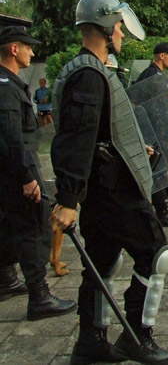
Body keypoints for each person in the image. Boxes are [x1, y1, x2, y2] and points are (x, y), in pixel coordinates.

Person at [50, 0, 168, 365]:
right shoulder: (89, 74)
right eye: (118, 26)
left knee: (103, 261)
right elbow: (76, 137)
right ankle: (136, 337)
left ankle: (91, 343)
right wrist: (68, 199)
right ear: (106, 26)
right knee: (156, 255)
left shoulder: (94, 69)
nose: (121, 33)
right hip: (111, 189)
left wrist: (139, 148)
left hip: (105, 184)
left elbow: (106, 131)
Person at [0, 26, 76, 320]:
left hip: (11, 171)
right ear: (13, 49)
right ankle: (39, 297)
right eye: (27, 47)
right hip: (17, 172)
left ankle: (6, 278)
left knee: (7, 226)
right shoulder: (6, 87)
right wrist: (27, 177)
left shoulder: (9, 83)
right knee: (34, 229)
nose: (32, 52)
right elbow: (10, 137)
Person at [137, 41, 168, 228]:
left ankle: (157, 210)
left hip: (156, 132)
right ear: (161, 55)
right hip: (155, 134)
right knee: (160, 173)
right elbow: (159, 107)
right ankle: (161, 213)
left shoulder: (153, 75)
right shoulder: (152, 76)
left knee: (160, 172)